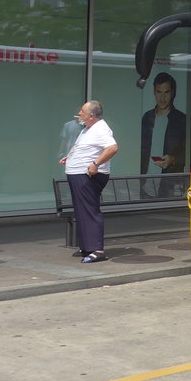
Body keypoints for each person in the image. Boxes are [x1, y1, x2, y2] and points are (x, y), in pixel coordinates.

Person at [61, 100, 118, 263]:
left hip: (88, 176)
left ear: (91, 116)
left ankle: (97, 250)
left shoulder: (100, 129)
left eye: (82, 111)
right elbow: (85, 148)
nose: (79, 114)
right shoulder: (88, 129)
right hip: (78, 174)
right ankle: (87, 246)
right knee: (82, 211)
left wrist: (95, 164)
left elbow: (112, 148)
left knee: (89, 210)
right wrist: (70, 157)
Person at [140, 72, 187, 198]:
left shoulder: (182, 120)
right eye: (159, 92)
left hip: (168, 186)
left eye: (166, 92)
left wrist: (173, 159)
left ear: (172, 93)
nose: (162, 98)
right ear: (154, 92)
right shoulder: (147, 117)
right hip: (145, 186)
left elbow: (189, 152)